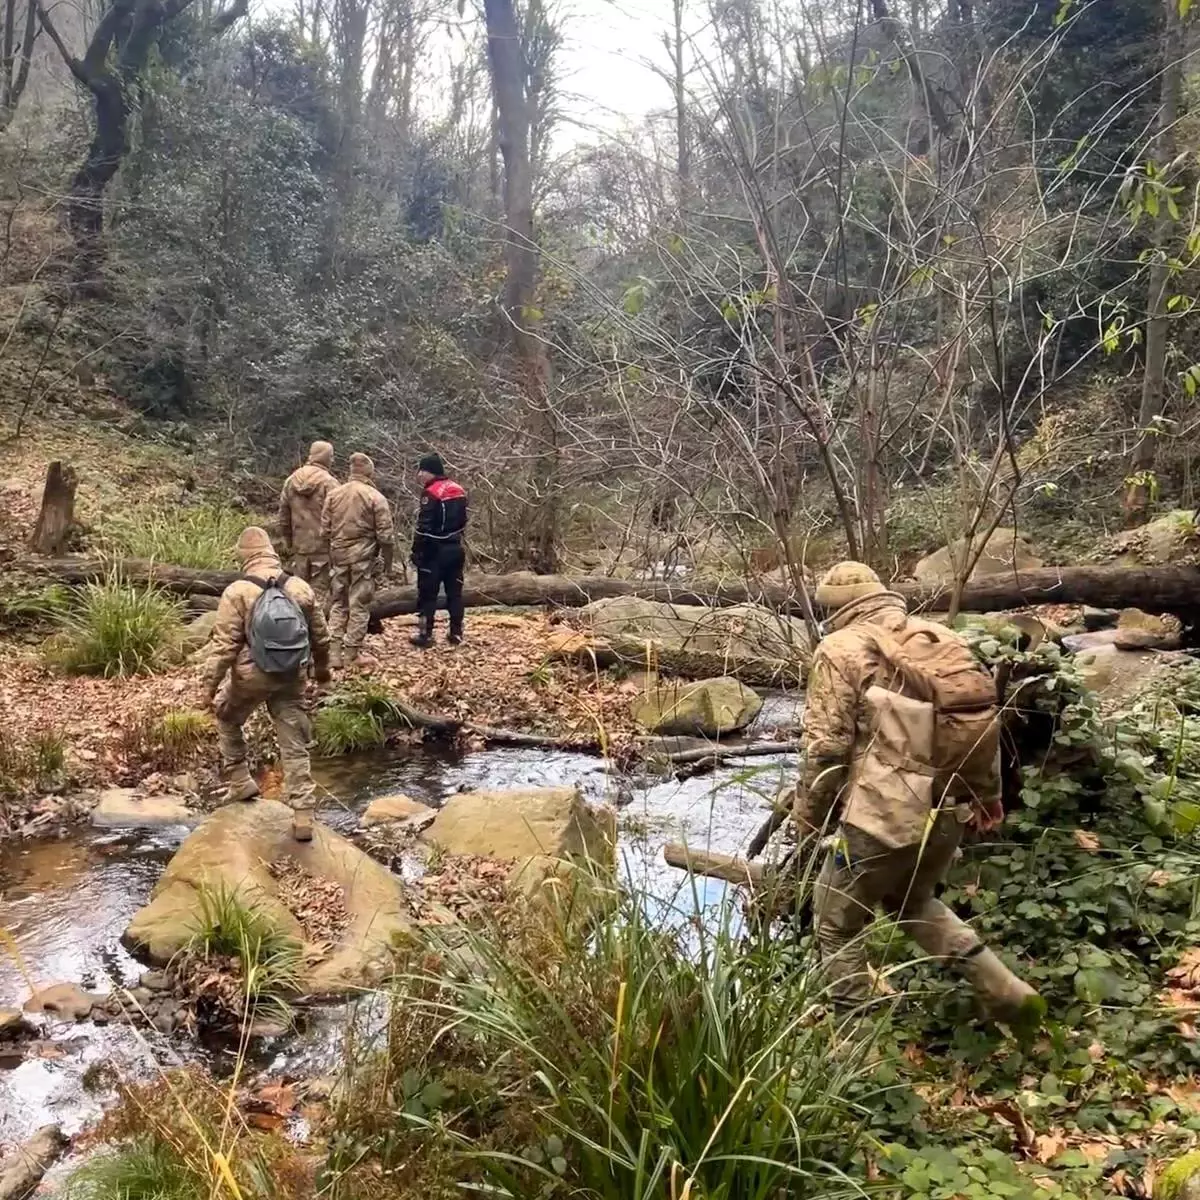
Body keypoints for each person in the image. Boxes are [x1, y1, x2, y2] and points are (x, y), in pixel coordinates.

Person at [789, 561, 1043, 1032]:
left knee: (835, 925)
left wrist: (805, 822)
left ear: (833, 609)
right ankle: (1007, 991)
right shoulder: (938, 638)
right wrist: (986, 796)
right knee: (913, 902)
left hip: (883, 814)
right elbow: (978, 721)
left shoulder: (839, 649)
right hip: (948, 805)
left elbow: (825, 750)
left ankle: (855, 1047)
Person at [200, 526, 331, 842]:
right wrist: (323, 672)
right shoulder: (298, 587)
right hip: (291, 675)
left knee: (227, 717)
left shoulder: (237, 592)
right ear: (272, 552)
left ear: (244, 558)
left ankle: (240, 779)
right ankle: (302, 814)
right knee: (293, 740)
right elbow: (321, 638)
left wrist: (207, 688)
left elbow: (224, 646)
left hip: (251, 677)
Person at [321, 452, 394, 667]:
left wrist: (332, 553)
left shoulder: (333, 495)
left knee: (338, 602)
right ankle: (352, 653)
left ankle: (333, 653)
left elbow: (325, 531)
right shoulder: (375, 497)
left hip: (339, 555)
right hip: (363, 558)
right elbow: (386, 536)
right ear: (369, 471)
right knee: (359, 604)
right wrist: (387, 563)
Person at [409, 452, 468, 648]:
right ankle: (456, 633)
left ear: (430, 472)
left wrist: (416, 551)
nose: (419, 475)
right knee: (455, 593)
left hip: (433, 551)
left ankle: (425, 635)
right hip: (456, 547)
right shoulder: (459, 490)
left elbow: (424, 526)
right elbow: (463, 521)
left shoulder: (431, 493)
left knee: (427, 594)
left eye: (421, 471)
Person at [277, 441, 338, 609]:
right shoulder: (329, 483)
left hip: (300, 548)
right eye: (331, 456)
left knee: (298, 593)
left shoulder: (291, 480)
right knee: (318, 597)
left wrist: (288, 541)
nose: (332, 460)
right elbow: (338, 517)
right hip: (324, 549)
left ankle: (295, 629)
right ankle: (315, 632)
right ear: (325, 457)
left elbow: (283, 515)